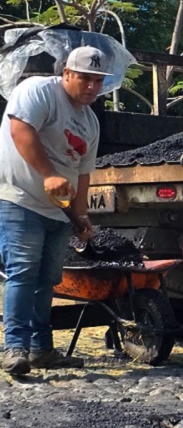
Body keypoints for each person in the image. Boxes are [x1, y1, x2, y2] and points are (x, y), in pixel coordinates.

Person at [0, 46, 108, 374]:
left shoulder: (90, 122)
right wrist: (48, 174)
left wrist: (82, 217)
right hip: (20, 199)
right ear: (66, 74)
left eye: (98, 81)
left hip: (58, 213)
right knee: (23, 272)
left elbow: (83, 173)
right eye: (84, 78)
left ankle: (41, 350)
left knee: (47, 279)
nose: (91, 87)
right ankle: (14, 347)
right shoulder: (38, 92)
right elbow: (21, 130)